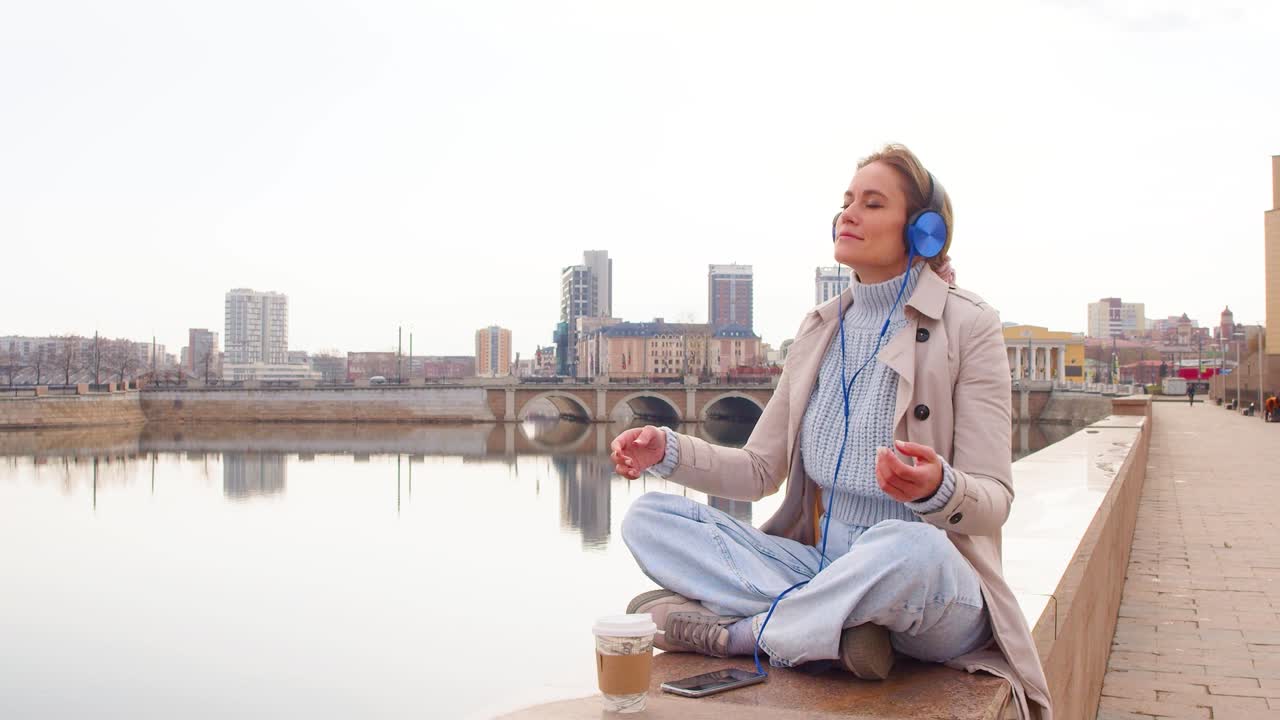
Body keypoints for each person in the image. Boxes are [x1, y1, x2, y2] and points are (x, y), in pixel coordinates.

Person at [610, 145, 1051, 719]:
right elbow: (757, 472)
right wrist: (667, 450)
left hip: (927, 581)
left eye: (872, 203)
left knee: (907, 545)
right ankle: (838, 635)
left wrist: (938, 488)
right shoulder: (817, 330)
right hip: (822, 566)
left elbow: (994, 501)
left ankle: (742, 634)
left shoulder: (968, 324)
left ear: (921, 232)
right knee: (650, 519)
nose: (848, 214)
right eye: (846, 202)